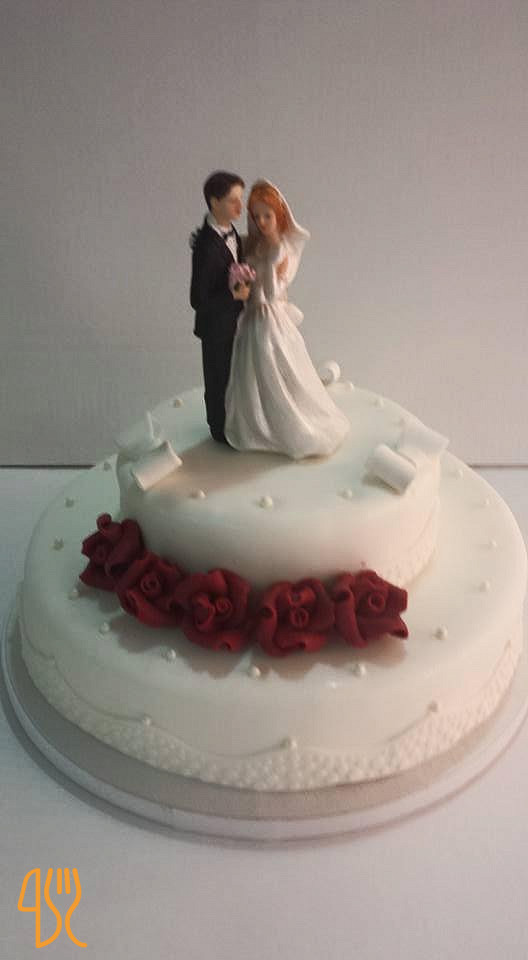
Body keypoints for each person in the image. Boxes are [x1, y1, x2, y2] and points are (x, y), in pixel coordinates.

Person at [224, 180, 349, 459]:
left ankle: (288, 425)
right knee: (250, 375)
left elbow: (270, 294)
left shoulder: (280, 250)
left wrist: (268, 268)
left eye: (267, 215)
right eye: (256, 216)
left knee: (276, 369)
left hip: (269, 319)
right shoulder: (253, 244)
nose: (261, 221)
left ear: (279, 215)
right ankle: (257, 424)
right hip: (251, 318)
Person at [190, 170, 249, 443]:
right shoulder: (206, 246)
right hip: (216, 328)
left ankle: (234, 423)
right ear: (214, 202)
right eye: (233, 200)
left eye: (241, 199)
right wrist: (233, 296)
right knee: (218, 380)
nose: (240, 207)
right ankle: (219, 430)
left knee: (235, 376)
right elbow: (197, 299)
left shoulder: (231, 231)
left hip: (235, 322)